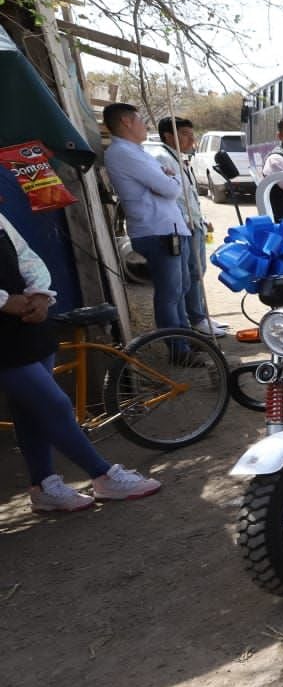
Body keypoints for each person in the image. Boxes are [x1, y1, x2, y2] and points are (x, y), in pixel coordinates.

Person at [0, 179, 162, 512]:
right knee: (55, 405)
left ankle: (44, 486)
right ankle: (102, 475)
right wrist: (4, 302)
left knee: (29, 412)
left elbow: (26, 256)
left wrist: (41, 294)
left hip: (27, 323)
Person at [102, 103, 192, 340]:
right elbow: (170, 189)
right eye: (141, 120)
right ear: (127, 122)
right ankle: (178, 347)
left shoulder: (137, 151)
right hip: (157, 231)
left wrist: (170, 179)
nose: (146, 125)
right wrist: (172, 180)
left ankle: (187, 338)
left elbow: (167, 183)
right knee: (169, 293)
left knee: (181, 289)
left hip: (169, 228)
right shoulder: (123, 153)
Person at [149, 116, 228, 338]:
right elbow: (169, 194)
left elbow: (189, 195)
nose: (191, 139)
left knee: (197, 271)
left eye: (192, 134)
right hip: (182, 226)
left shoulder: (179, 158)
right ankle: (195, 318)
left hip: (194, 223)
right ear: (168, 135)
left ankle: (199, 314)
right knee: (190, 275)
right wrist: (186, 218)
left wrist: (200, 218)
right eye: (184, 134)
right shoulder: (161, 157)